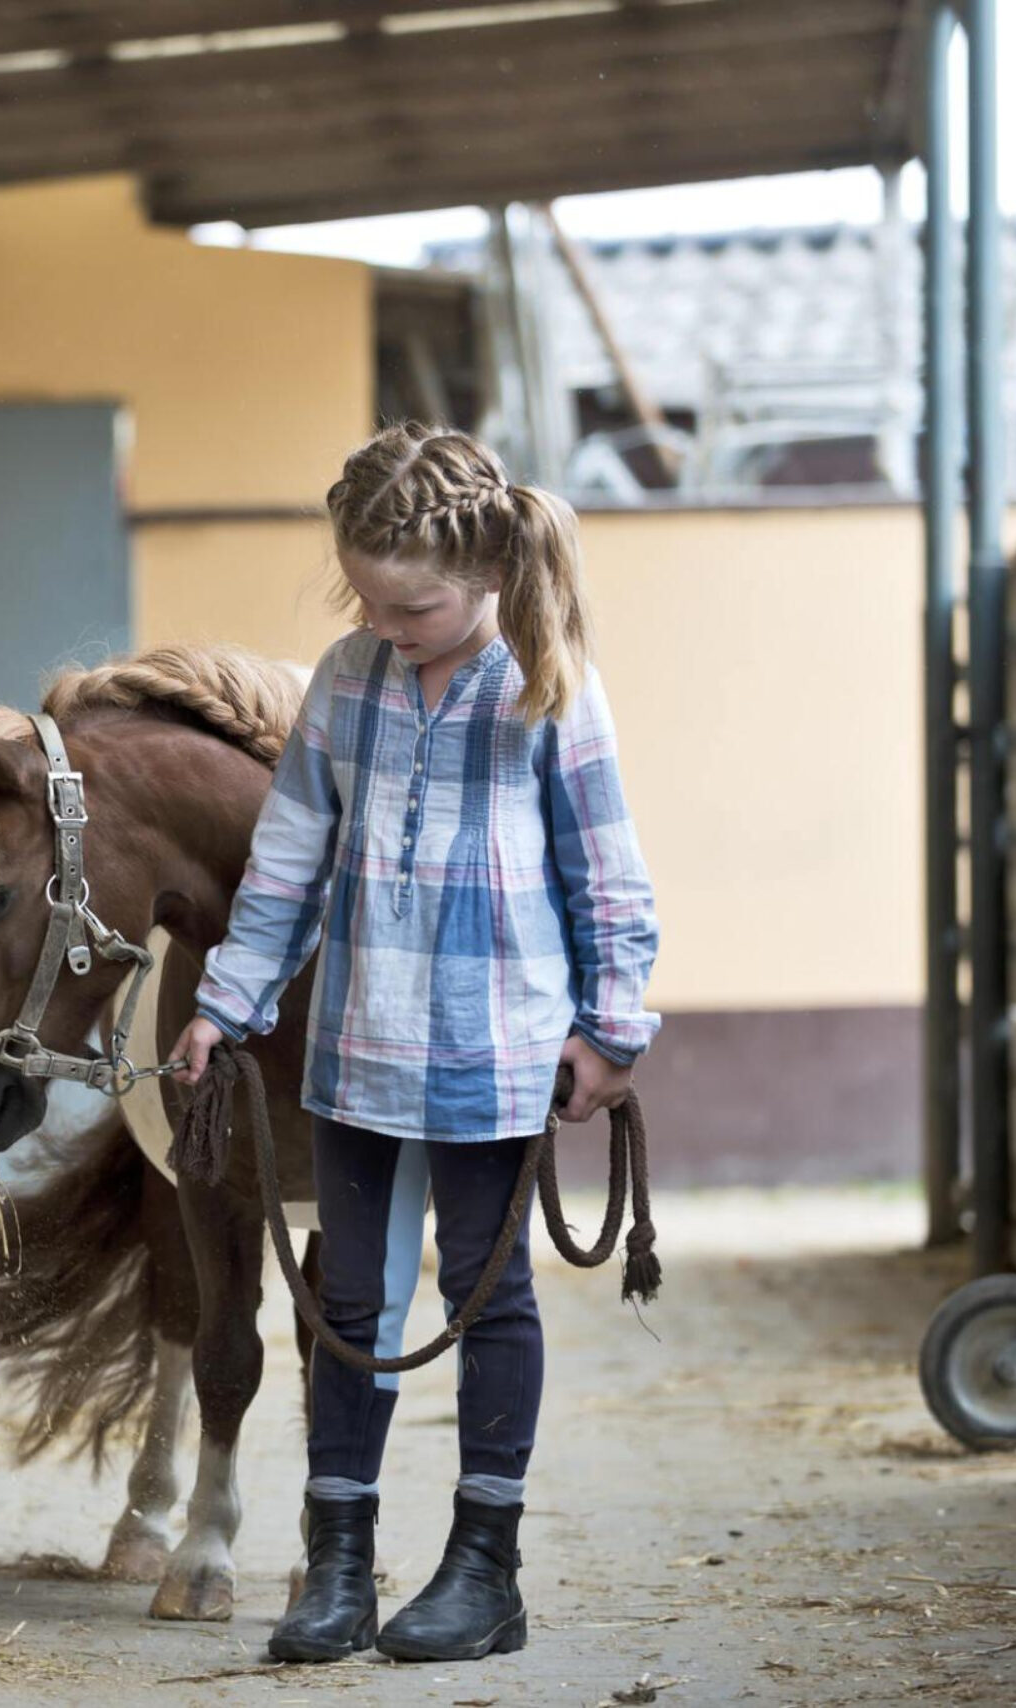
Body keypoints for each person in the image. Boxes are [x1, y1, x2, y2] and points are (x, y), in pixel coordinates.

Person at [171, 423, 661, 1665]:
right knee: (349, 1303)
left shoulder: (547, 679)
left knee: (485, 1300)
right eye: (370, 600)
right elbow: (285, 858)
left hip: (493, 1055)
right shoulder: (348, 679)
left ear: (487, 571)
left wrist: (611, 1026)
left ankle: (482, 1569)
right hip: (357, 1051)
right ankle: (335, 1561)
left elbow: (604, 869)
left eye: (415, 604)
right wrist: (226, 1000)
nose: (387, 622)